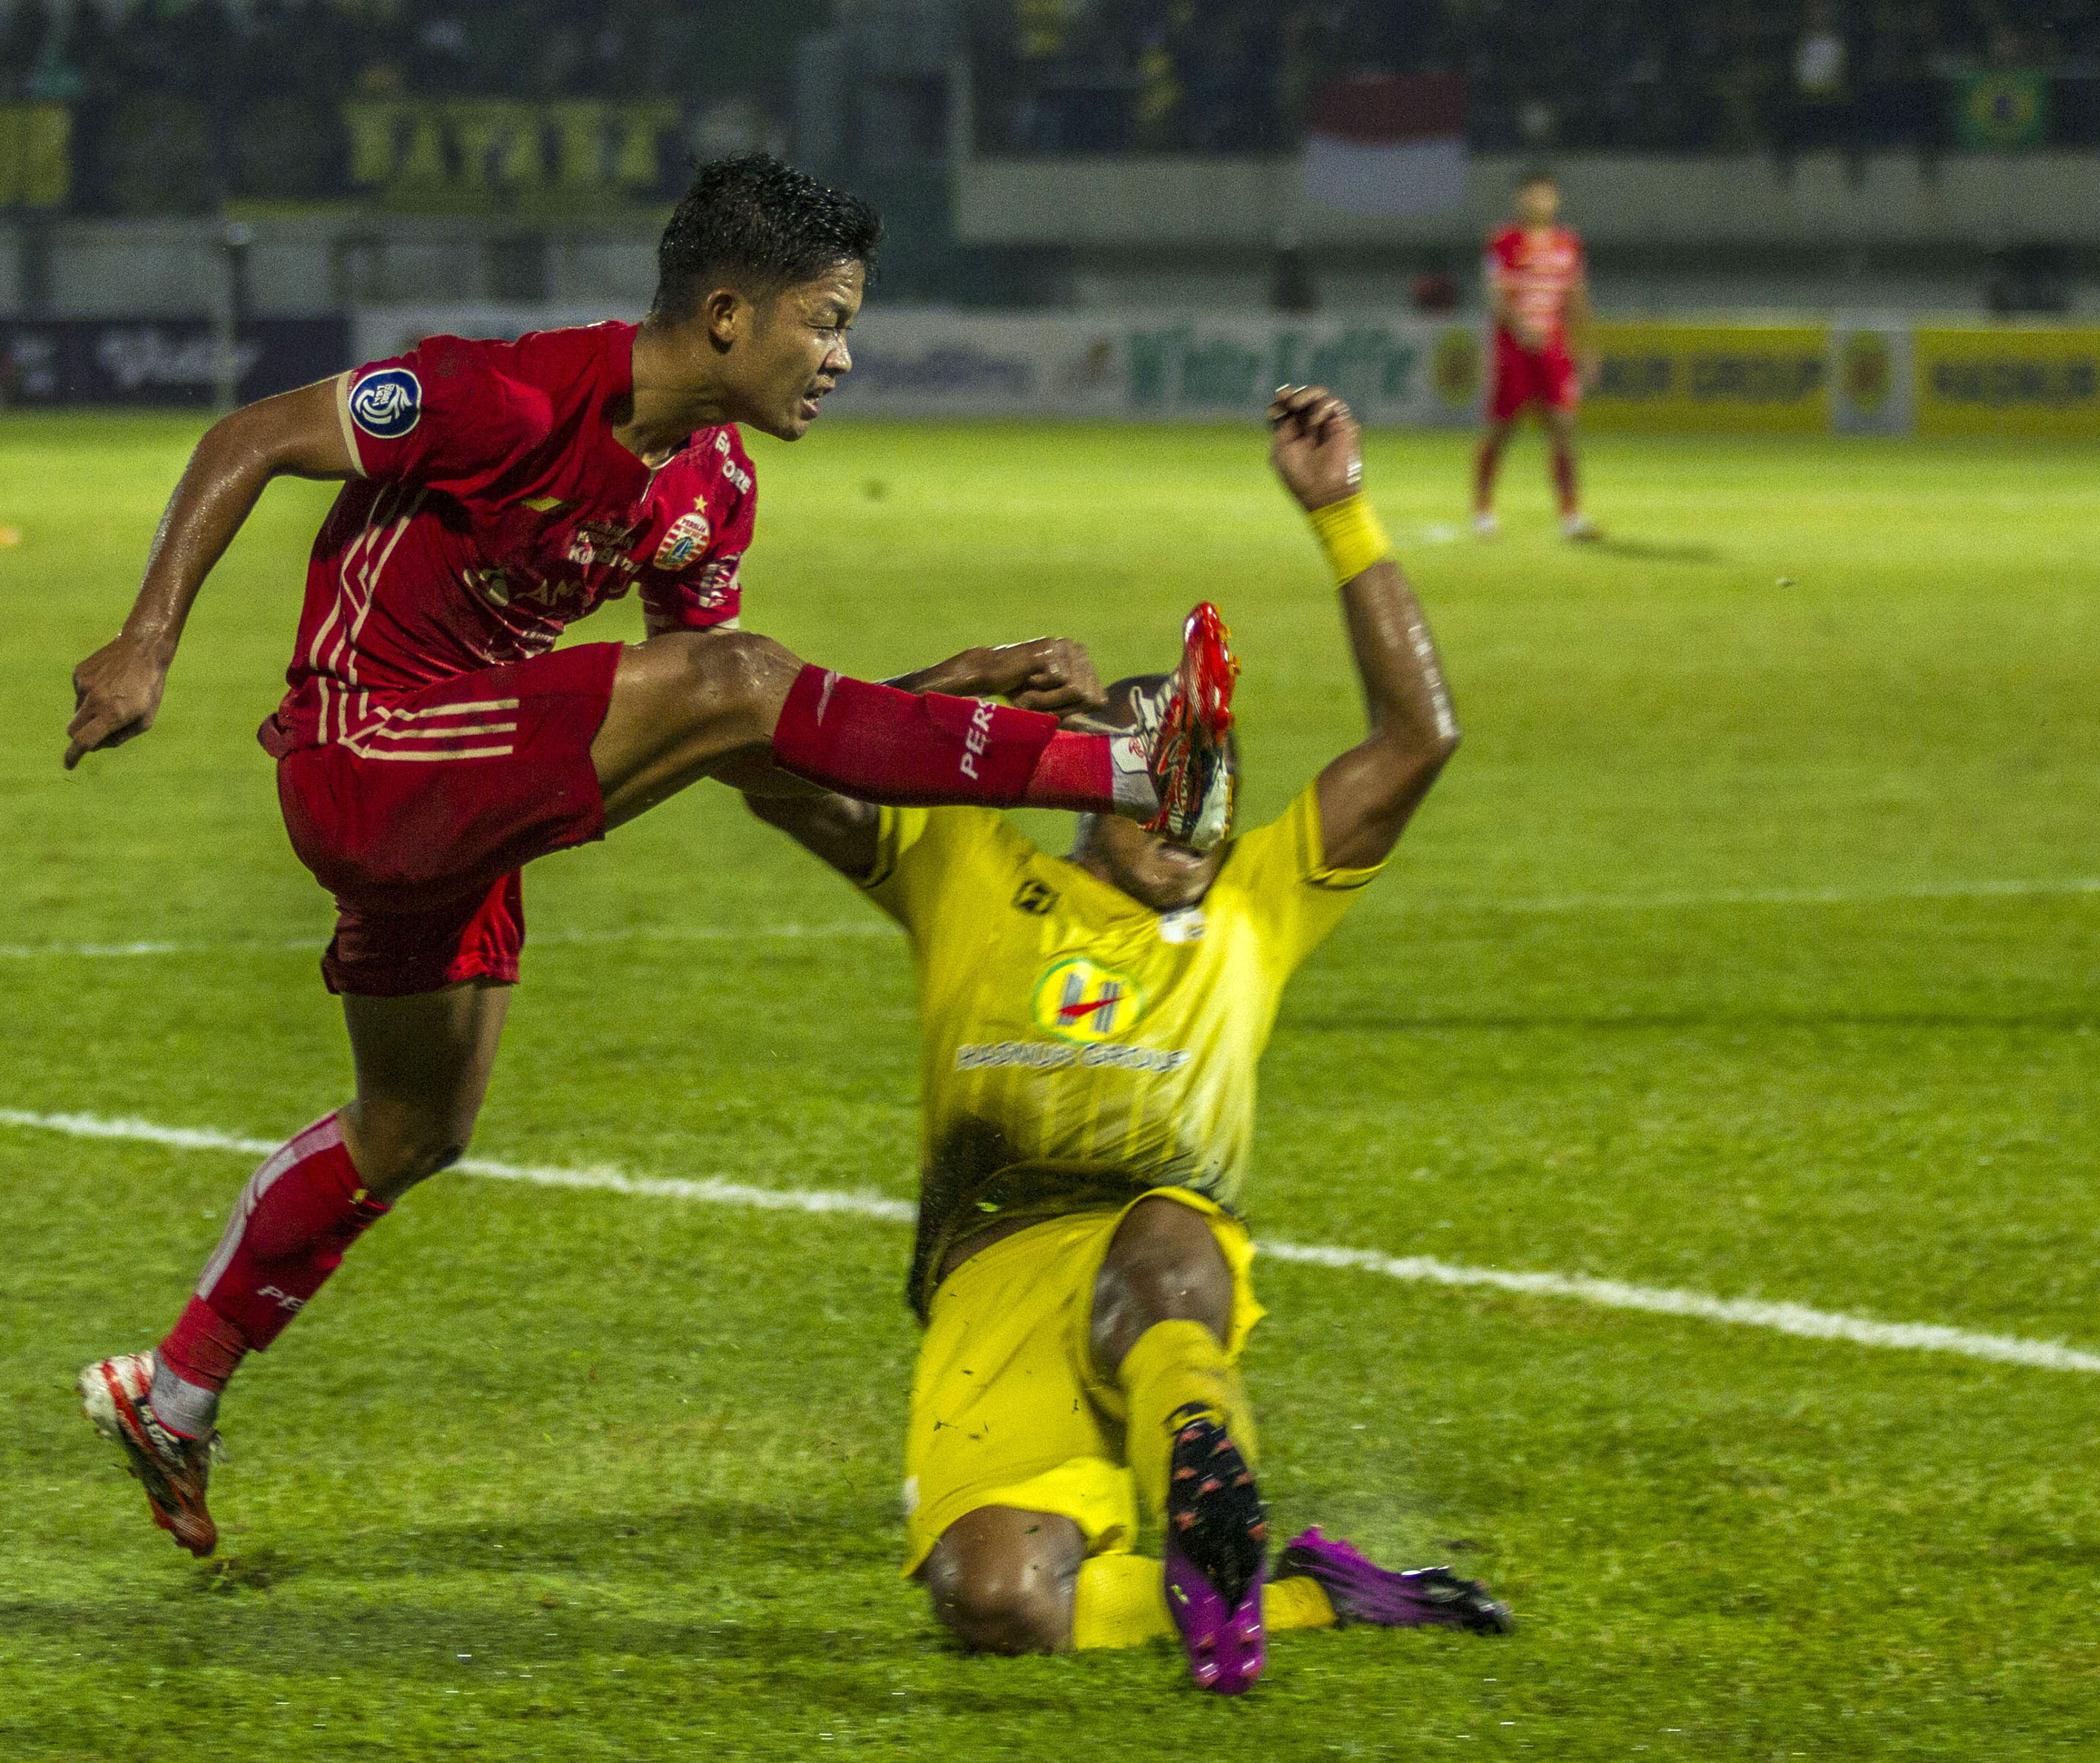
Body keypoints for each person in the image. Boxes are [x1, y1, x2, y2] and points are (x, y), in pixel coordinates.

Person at [67, 154, 1238, 1561]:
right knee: (733, 682)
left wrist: (949, 698)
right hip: (366, 757)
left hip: (466, 795)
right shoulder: (496, 397)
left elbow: (740, 725)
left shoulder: (712, 486)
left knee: (414, 1128)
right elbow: (247, 437)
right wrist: (147, 639)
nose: (846, 356)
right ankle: (1134, 769)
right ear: (732, 314)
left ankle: (174, 1388)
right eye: (830, 318)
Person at [744, 386, 1506, 1695]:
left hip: (1156, 1253)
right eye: (1161, 781)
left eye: (1215, 785)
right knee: (995, 1605)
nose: (1194, 818)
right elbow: (768, 756)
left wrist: (1342, 514)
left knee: (1161, 1246)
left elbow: (1417, 737)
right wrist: (973, 684)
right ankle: (1309, 1594)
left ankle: (1210, 1476)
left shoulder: (1259, 903)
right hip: (991, 1272)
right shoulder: (966, 862)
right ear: (1089, 779)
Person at [1471, 168, 1600, 541]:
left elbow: (1577, 298)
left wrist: (1587, 348)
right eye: (1532, 195)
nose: (1539, 202)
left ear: (1555, 199)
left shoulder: (1568, 243)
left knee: (1563, 428)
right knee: (1502, 428)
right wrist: (1521, 327)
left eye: (1545, 195)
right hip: (1514, 350)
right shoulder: (1504, 241)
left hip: (1555, 349)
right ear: (1520, 199)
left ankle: (1571, 514)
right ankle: (1482, 508)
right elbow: (1496, 294)